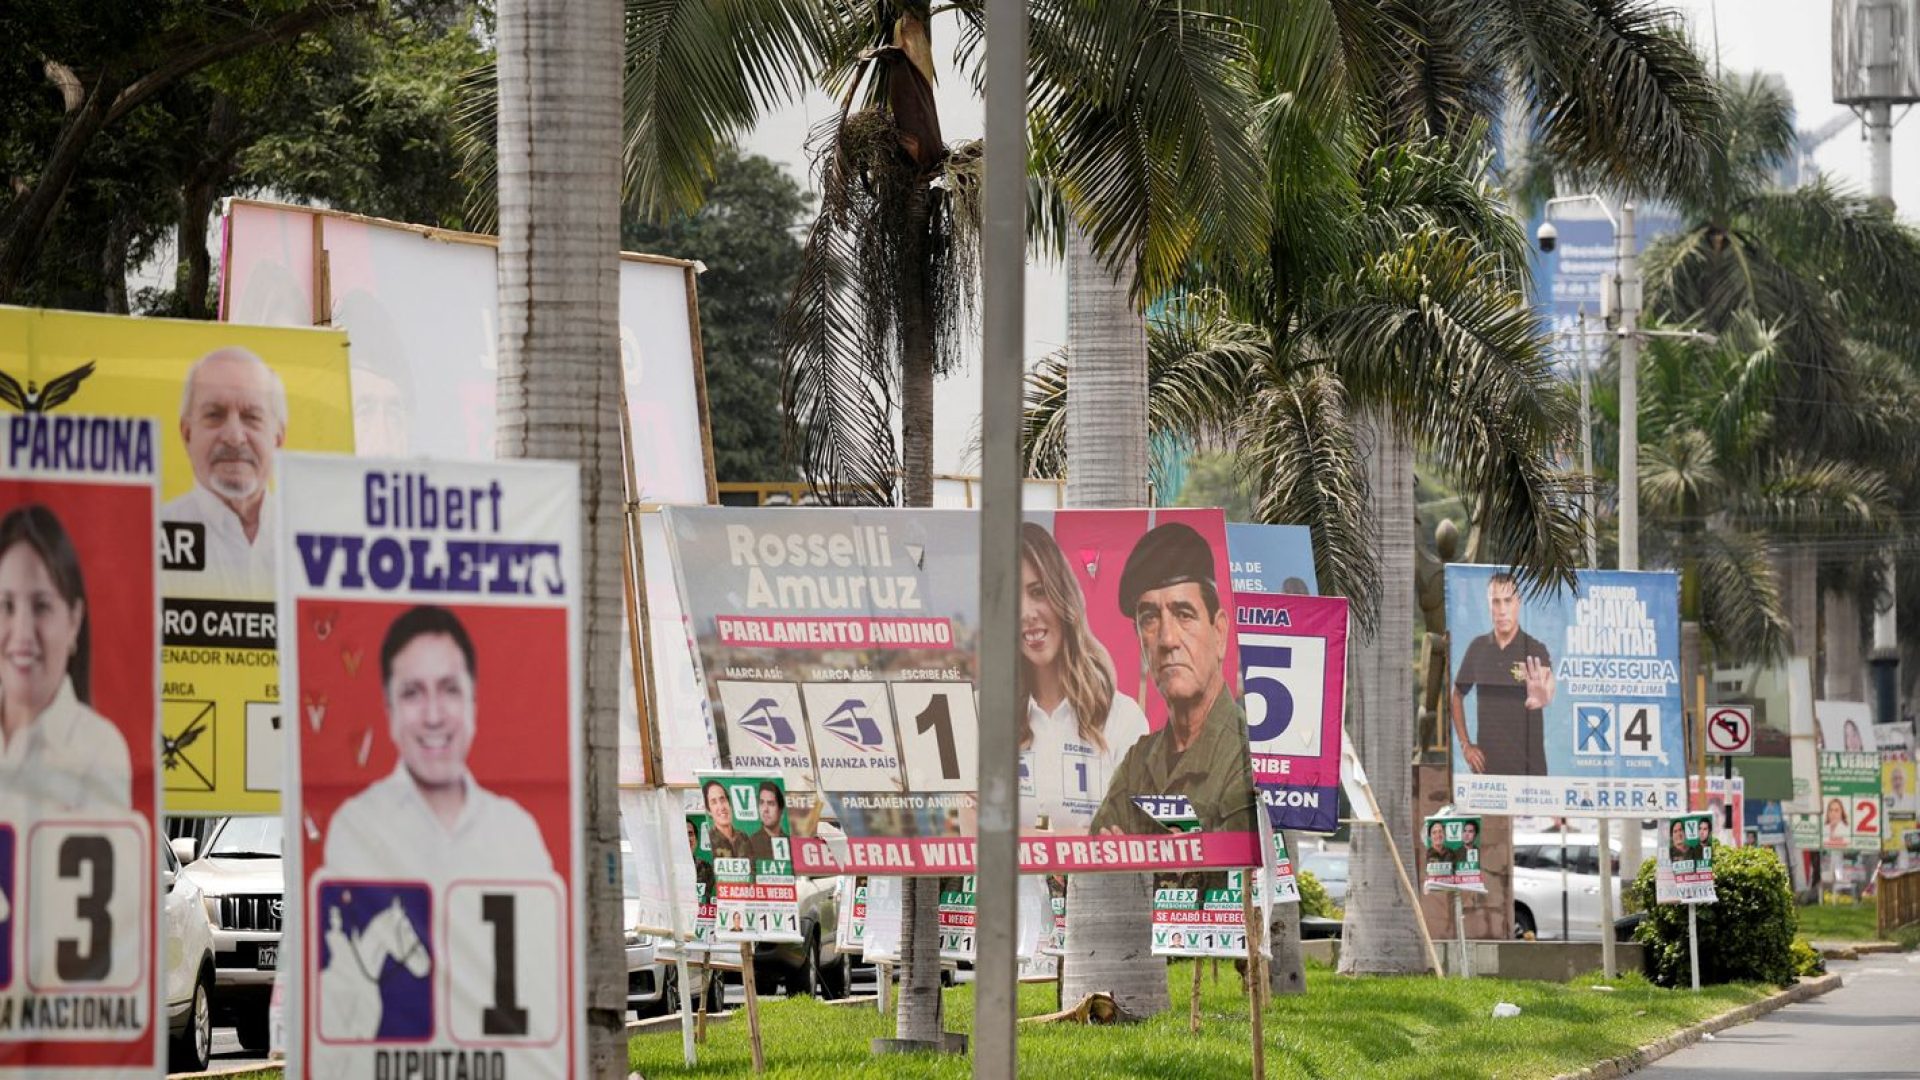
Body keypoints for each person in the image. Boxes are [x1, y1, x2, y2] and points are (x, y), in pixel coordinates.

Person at [322, 606, 552, 880]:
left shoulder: (516, 831)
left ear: (473, 703)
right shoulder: (356, 827)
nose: (433, 716)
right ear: (389, 709)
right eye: (412, 693)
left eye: (450, 689)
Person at [1089, 522, 1256, 838]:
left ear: (1219, 633)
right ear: (1141, 640)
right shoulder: (1138, 762)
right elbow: (1099, 861)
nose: (1167, 639)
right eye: (1149, 618)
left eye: (1184, 614)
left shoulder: (1250, 755)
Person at [1016, 522, 1149, 833]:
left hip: (1098, 882)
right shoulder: (980, 714)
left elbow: (1162, 819)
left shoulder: (1122, 717)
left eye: (1038, 592)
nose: (1027, 613)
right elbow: (960, 825)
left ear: (1063, 598)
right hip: (1009, 884)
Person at [0, 505, 129, 810]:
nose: (22, 635)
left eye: (42, 606)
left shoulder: (100, 750)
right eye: (6, 606)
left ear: (74, 620)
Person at [160, 347, 287, 598]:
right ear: (187, 434)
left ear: (278, 439)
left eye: (252, 417)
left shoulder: (307, 539)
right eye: (214, 415)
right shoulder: (150, 539)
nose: (234, 437)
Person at [1451, 571, 1555, 775]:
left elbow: (1549, 685)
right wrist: (1466, 745)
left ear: (1519, 603)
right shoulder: (1477, 647)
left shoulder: (1534, 649)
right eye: (1496, 602)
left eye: (1508, 601)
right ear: (1488, 605)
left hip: (1529, 773)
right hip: (1488, 773)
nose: (1502, 610)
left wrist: (1545, 695)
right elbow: (1456, 695)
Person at [703, 779, 753, 862]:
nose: (721, 807)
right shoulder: (709, 840)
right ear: (709, 811)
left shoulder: (743, 837)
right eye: (714, 802)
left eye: (723, 799)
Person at [747, 780, 788, 863]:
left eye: (771, 804)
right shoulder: (750, 844)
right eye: (761, 803)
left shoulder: (790, 842)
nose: (765, 809)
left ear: (780, 810)